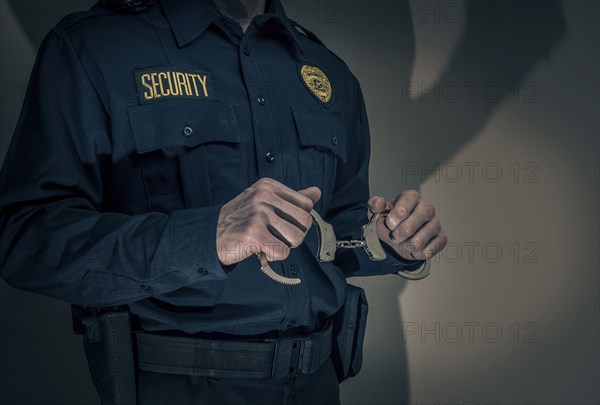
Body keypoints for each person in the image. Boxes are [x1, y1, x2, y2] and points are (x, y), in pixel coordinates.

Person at [0, 0, 447, 403]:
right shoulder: (94, 47)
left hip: (317, 384)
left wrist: (390, 242)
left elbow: (332, 230)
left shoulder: (327, 70)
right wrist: (207, 237)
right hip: (183, 387)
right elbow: (26, 237)